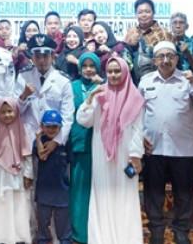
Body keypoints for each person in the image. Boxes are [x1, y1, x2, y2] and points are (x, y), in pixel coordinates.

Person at [139, 41, 193, 244]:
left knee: (184, 195)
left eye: (170, 56)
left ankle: (181, 232)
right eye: (161, 56)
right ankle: (156, 232)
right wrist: (140, 137)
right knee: (153, 195)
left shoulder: (187, 79)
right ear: (154, 60)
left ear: (176, 59)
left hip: (183, 150)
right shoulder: (145, 81)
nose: (165, 60)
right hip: (153, 149)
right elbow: (137, 112)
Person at [75, 57, 145, 244]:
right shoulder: (100, 94)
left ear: (125, 72)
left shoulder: (135, 97)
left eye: (117, 71)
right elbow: (84, 121)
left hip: (125, 154)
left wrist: (135, 155)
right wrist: (90, 98)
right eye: (110, 71)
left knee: (125, 195)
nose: (113, 75)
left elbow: (138, 129)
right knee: (102, 194)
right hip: (102, 153)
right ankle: (102, 238)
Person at [0, 98, 34, 244]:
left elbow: (27, 154)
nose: (7, 115)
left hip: (18, 171)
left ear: (16, 111)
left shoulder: (21, 129)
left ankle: (18, 235)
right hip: (0, 171)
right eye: (3, 112)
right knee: (1, 201)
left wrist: (28, 173)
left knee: (18, 202)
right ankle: (1, 234)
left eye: (10, 111)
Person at [17, 34, 75, 149]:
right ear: (32, 57)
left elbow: (67, 116)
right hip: (28, 138)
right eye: (37, 56)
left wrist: (56, 141)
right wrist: (24, 96)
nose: (41, 60)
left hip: (54, 140)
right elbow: (16, 111)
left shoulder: (63, 81)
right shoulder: (23, 77)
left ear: (53, 56)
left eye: (45, 56)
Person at [68, 53, 102, 244]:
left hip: (100, 145)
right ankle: (79, 233)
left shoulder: (104, 86)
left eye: (92, 65)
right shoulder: (72, 86)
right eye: (85, 66)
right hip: (79, 144)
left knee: (96, 190)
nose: (88, 69)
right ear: (79, 68)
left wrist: (102, 84)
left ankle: (97, 231)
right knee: (79, 190)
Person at [33, 110, 71, 244]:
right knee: (43, 219)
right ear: (42, 126)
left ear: (60, 128)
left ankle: (65, 239)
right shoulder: (39, 142)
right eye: (48, 126)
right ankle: (43, 239)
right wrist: (38, 138)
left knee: (63, 220)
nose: (51, 129)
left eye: (55, 126)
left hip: (62, 188)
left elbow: (70, 160)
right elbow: (42, 156)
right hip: (44, 189)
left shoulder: (65, 143)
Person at [123, 0, 172, 81]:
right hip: (133, 81)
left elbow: (171, 60)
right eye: (140, 12)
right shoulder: (131, 32)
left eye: (147, 12)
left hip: (158, 80)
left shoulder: (164, 33)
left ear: (153, 13)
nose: (144, 15)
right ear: (136, 15)